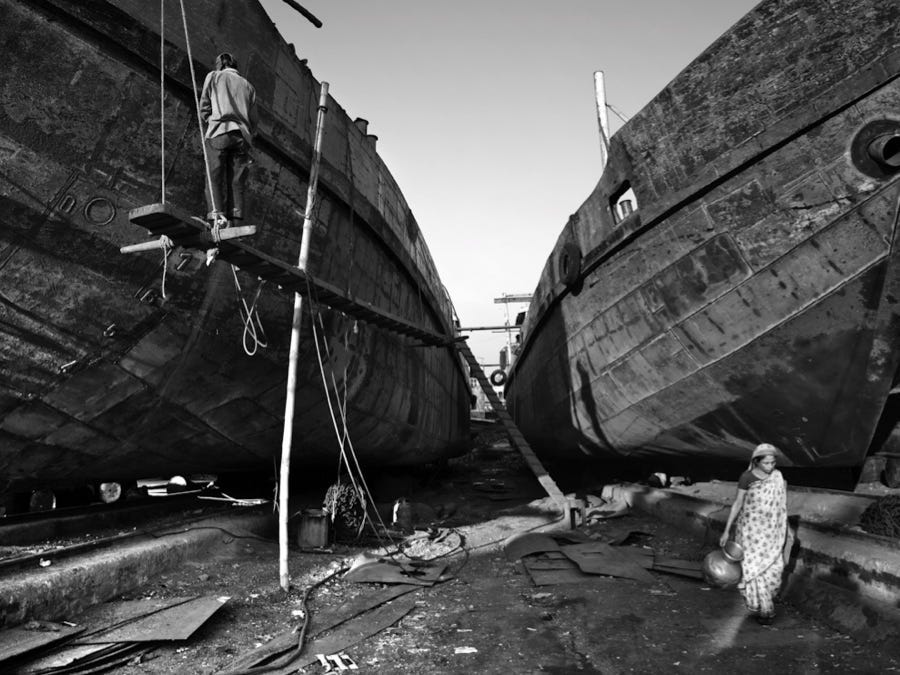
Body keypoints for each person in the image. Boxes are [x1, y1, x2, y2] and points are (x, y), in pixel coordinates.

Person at [719, 443, 789, 625]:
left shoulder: (777, 477)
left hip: (771, 532)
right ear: (756, 462)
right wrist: (727, 530)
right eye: (766, 463)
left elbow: (781, 507)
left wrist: (788, 531)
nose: (770, 467)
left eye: (773, 463)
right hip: (750, 532)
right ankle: (764, 610)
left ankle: (765, 602)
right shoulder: (747, 477)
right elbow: (738, 503)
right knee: (754, 569)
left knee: (775, 569)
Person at [199, 52, 258, 229]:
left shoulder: (214, 76)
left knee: (214, 175)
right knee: (236, 179)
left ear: (220, 65)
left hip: (219, 131)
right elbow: (254, 120)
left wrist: (208, 119)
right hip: (242, 136)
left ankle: (216, 218)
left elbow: (204, 106)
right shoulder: (248, 86)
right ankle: (235, 220)